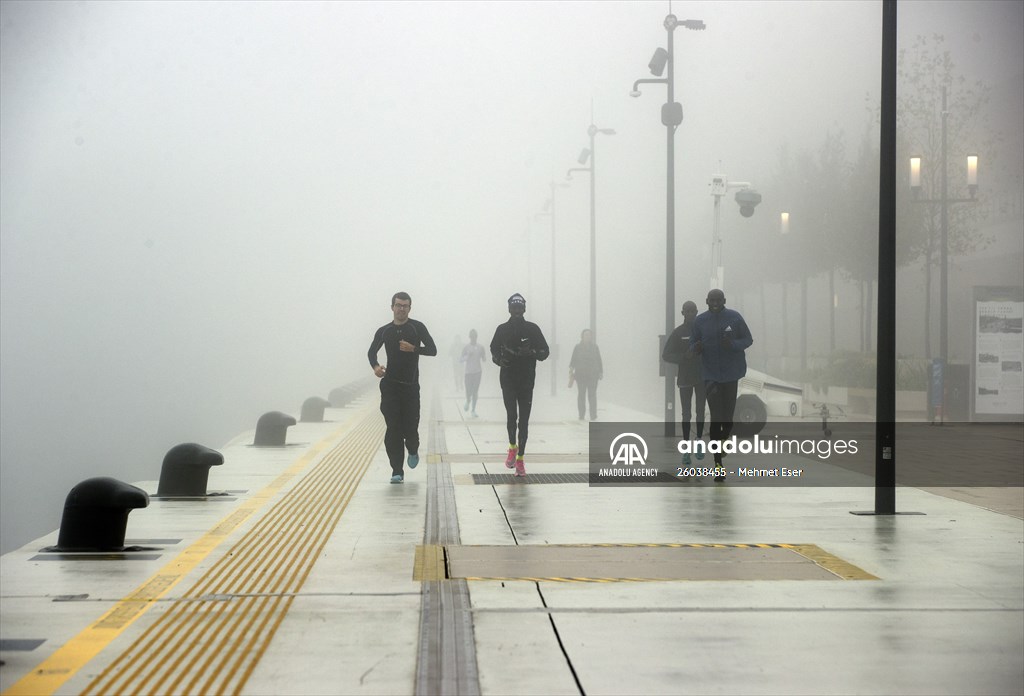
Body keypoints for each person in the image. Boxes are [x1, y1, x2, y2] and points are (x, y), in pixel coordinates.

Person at [367, 292, 437, 484]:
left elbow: (433, 350)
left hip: (410, 388)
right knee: (393, 429)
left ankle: (413, 449)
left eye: (405, 306)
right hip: (390, 387)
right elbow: (372, 351)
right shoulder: (384, 331)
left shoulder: (417, 328)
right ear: (392, 307)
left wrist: (413, 348)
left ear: (410, 308)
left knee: (410, 430)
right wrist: (376, 367)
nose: (401, 309)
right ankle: (397, 470)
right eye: (398, 305)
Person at [689, 288, 753, 481]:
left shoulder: (735, 318)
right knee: (716, 417)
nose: (715, 302)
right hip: (710, 376)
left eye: (718, 299)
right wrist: (696, 348)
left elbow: (748, 339)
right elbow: (692, 344)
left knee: (727, 418)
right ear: (706, 301)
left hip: (731, 374)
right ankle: (718, 464)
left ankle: (725, 439)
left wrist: (732, 345)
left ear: (724, 300)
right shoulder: (700, 321)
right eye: (712, 300)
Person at [490, 293, 549, 477]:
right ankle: (512, 447)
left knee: (524, 421)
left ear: (524, 309)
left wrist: (531, 352)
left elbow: (545, 351)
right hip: (508, 379)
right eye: (513, 308)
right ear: (509, 309)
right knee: (511, 416)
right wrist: (501, 360)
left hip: (526, 381)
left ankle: (521, 459)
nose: (516, 311)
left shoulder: (533, 329)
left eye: (519, 308)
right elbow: (493, 350)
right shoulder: (502, 329)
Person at [662, 301, 706, 465]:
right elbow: (666, 355)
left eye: (693, 311)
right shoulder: (678, 332)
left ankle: (699, 441)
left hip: (702, 377)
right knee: (686, 414)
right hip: (685, 378)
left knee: (700, 411)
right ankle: (687, 448)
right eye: (687, 311)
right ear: (682, 313)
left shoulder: (703, 331)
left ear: (696, 311)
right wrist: (683, 357)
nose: (690, 314)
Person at [569, 329, 603, 420]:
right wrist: (571, 371)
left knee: (592, 395)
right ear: (582, 336)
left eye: (589, 335)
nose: (588, 336)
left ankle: (593, 415)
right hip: (580, 376)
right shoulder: (577, 347)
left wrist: (600, 372)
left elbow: (599, 360)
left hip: (593, 376)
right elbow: (573, 360)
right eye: (586, 335)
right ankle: (581, 415)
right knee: (581, 395)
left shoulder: (595, 347)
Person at [461, 329, 486, 417]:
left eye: (474, 337)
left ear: (476, 337)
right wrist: (468, 356)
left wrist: (483, 357)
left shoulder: (481, 347)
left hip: (477, 372)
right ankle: (468, 401)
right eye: (472, 337)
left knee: (475, 391)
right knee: (468, 390)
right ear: (469, 337)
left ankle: (473, 410)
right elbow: (460, 360)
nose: (473, 339)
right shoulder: (466, 347)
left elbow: (484, 359)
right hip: (468, 372)